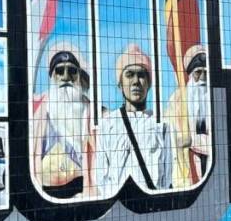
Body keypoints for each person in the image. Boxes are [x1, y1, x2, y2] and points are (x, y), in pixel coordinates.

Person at [96, 44, 173, 194]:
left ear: (149, 83)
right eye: (129, 75)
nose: (136, 81)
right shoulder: (108, 124)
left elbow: (167, 175)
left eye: (141, 75)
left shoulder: (161, 125)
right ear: (120, 83)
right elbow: (101, 176)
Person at [31, 43, 95, 198]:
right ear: (53, 76)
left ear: (78, 76)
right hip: (45, 193)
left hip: (80, 190)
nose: (66, 77)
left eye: (72, 71)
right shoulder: (40, 109)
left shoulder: (89, 109)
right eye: (60, 71)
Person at [166, 44, 211, 187]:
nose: (203, 78)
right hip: (186, 173)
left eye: (206, 72)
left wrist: (193, 141)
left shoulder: (215, 98)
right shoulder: (177, 100)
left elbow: (219, 142)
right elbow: (173, 140)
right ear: (190, 75)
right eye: (198, 72)